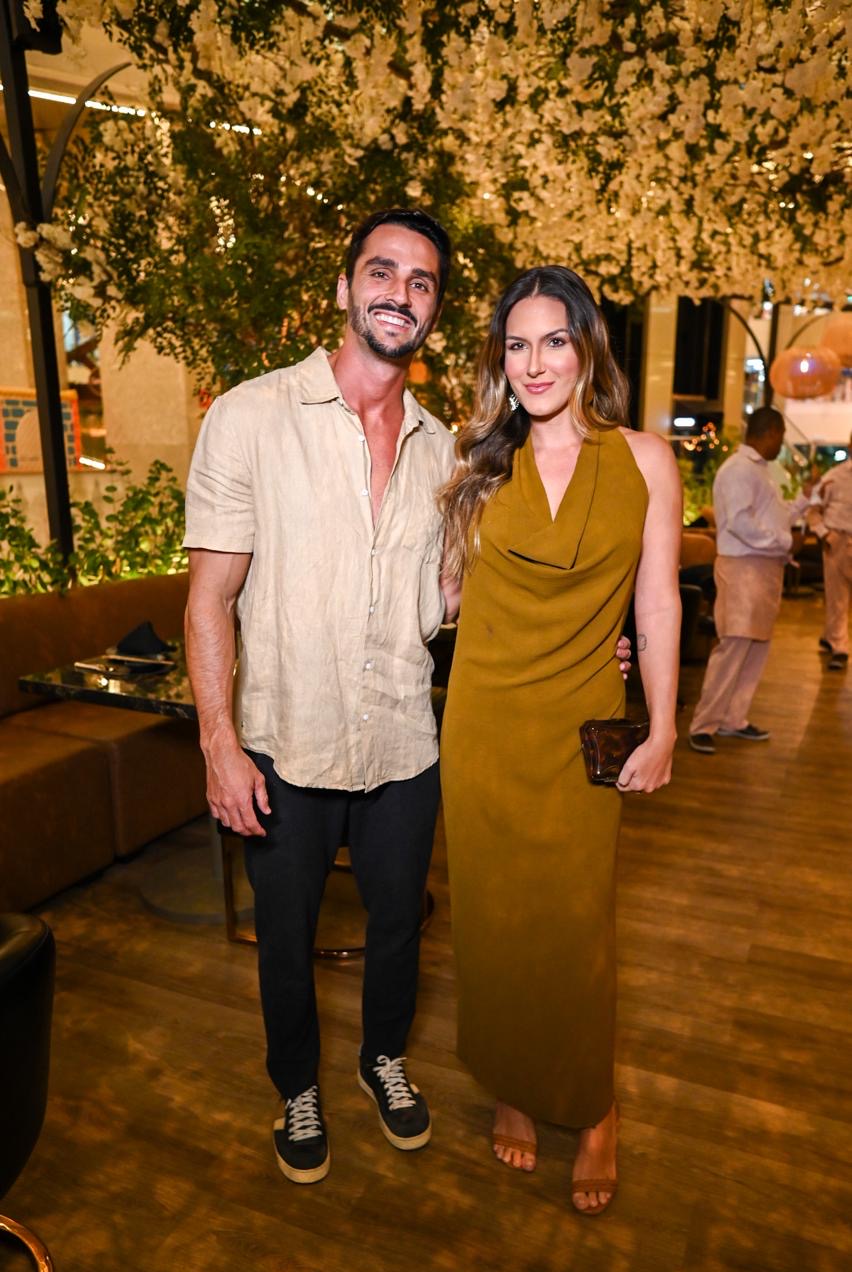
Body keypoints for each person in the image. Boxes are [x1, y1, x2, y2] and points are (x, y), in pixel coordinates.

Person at [183, 208, 457, 1183]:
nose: (399, 293)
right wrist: (219, 744)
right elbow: (209, 598)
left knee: (399, 925)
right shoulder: (251, 417)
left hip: (402, 743)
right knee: (285, 936)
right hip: (285, 743)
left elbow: (447, 601)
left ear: (434, 309)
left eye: (421, 282)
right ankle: (295, 1083)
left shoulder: (442, 448)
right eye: (382, 272)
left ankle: (384, 1058)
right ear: (344, 288)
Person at [438, 266, 682, 1216]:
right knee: (495, 925)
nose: (534, 363)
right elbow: (449, 601)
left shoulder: (644, 460)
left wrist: (664, 724)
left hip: (581, 731)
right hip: (485, 727)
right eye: (516, 344)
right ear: (499, 359)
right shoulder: (478, 466)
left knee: (578, 928)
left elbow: (656, 603)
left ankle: (593, 1108)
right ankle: (512, 1083)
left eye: (553, 341)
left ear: (586, 349)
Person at [688, 407, 811, 753]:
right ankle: (703, 724)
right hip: (743, 569)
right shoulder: (739, 469)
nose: (782, 444)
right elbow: (740, 524)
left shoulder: (760, 471)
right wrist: (785, 542)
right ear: (770, 432)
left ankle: (733, 718)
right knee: (734, 646)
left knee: (756, 648)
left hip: (763, 569)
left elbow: (773, 518)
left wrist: (802, 502)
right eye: (781, 436)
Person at [809, 444, 852, 671]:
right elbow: (813, 509)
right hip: (838, 540)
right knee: (837, 595)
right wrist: (824, 534)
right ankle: (839, 647)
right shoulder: (834, 476)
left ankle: (831, 637)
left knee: (838, 596)